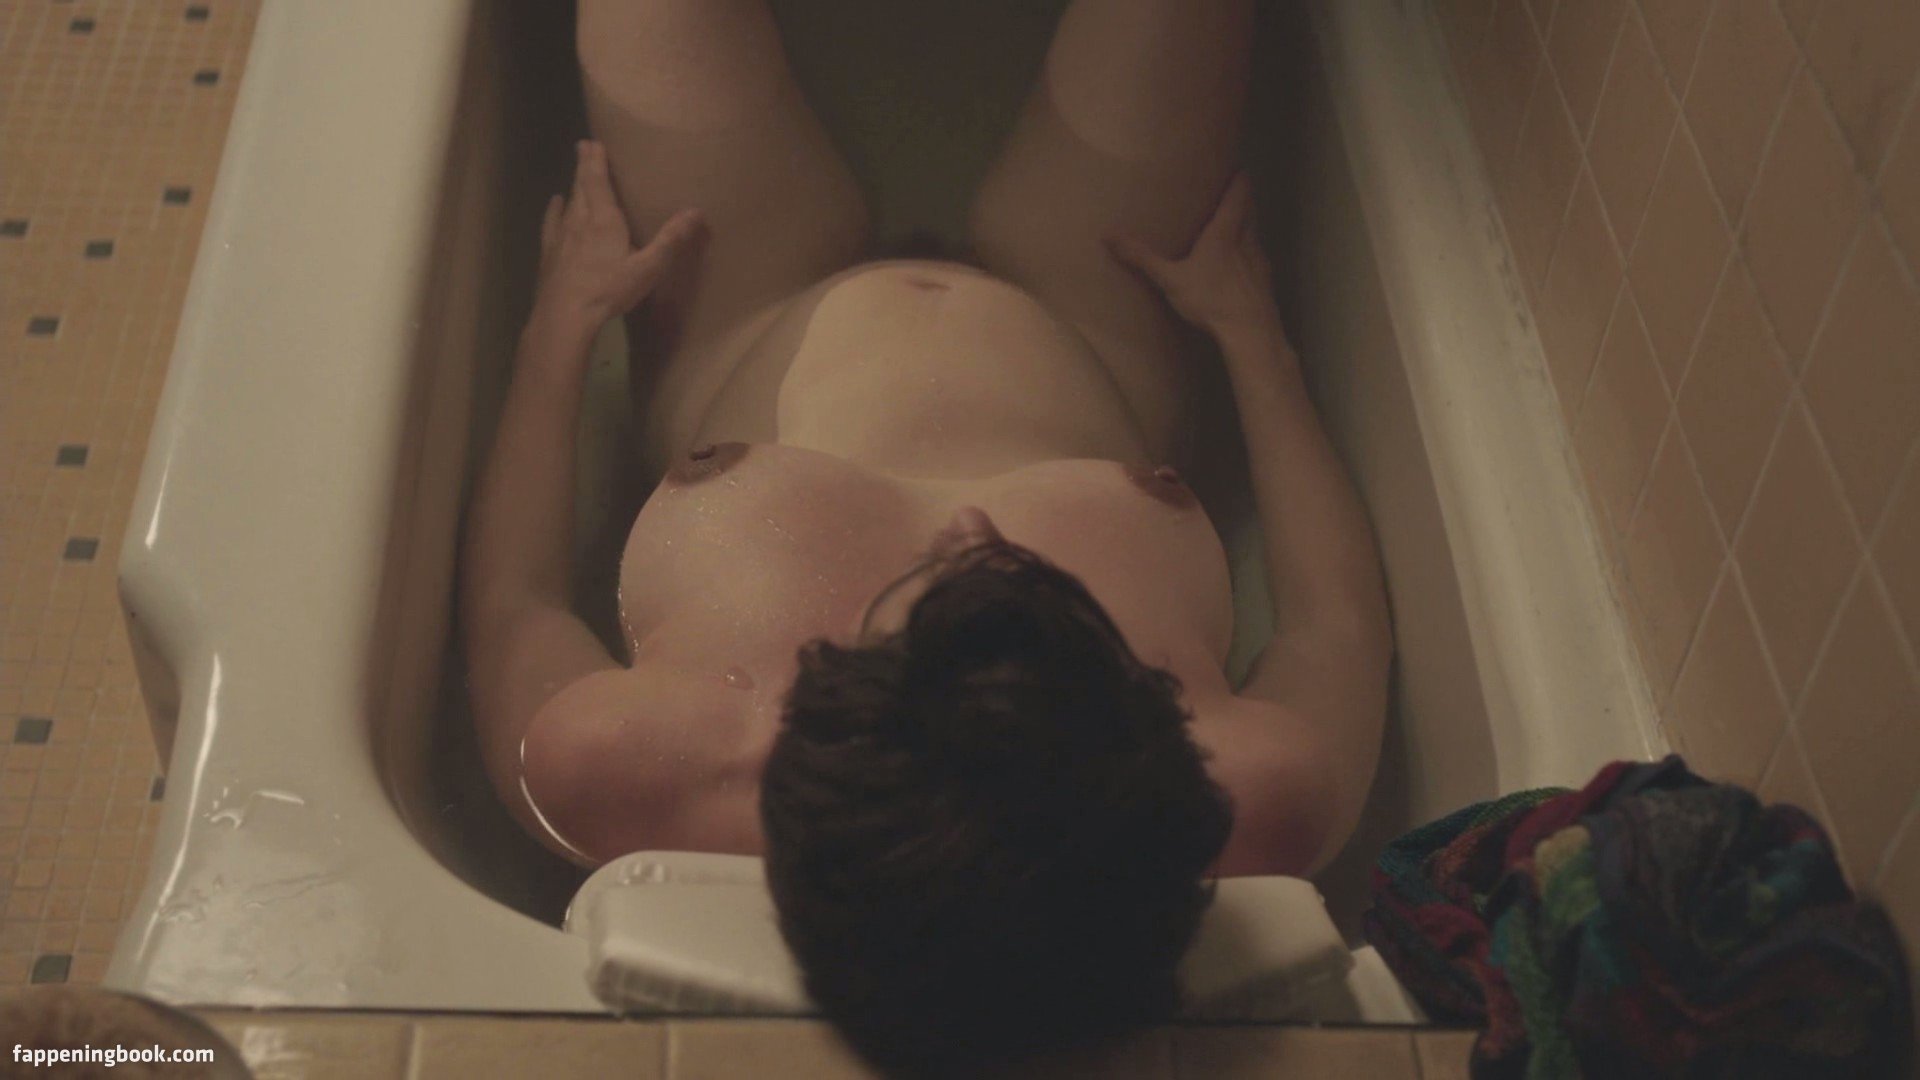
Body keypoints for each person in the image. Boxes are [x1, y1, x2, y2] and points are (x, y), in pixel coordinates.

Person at [460, 0, 1390, 1072]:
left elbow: (514, 601)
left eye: (917, 602)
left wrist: (559, 331)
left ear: (797, 713)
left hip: (740, 299)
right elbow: (1336, 626)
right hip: (1096, 315)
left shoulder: (627, 765)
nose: (968, 524)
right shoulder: (1243, 794)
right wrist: (1253, 339)